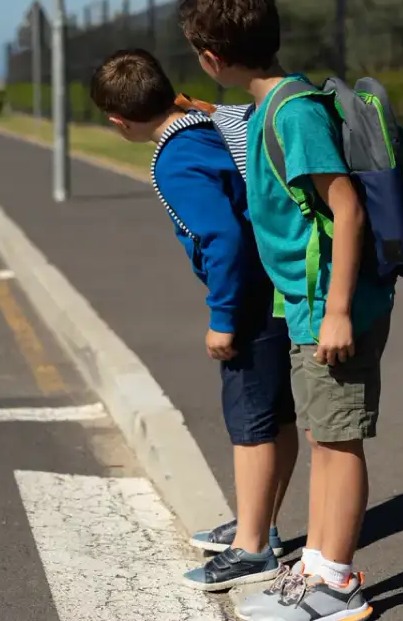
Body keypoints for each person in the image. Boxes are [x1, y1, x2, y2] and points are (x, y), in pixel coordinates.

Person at [179, 0, 395, 621]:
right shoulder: (274, 105)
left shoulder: (292, 114)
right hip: (306, 306)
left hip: (332, 308)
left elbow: (346, 208)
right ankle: (319, 566)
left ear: (212, 57)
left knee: (339, 441)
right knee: (325, 435)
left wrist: (333, 314)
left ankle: (337, 583)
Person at [88, 48, 299, 592]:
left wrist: (222, 318)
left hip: (248, 300)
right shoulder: (201, 124)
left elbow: (223, 237)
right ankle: (262, 524)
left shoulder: (174, 159)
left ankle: (252, 549)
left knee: (250, 424)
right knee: (276, 416)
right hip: (274, 285)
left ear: (118, 121)